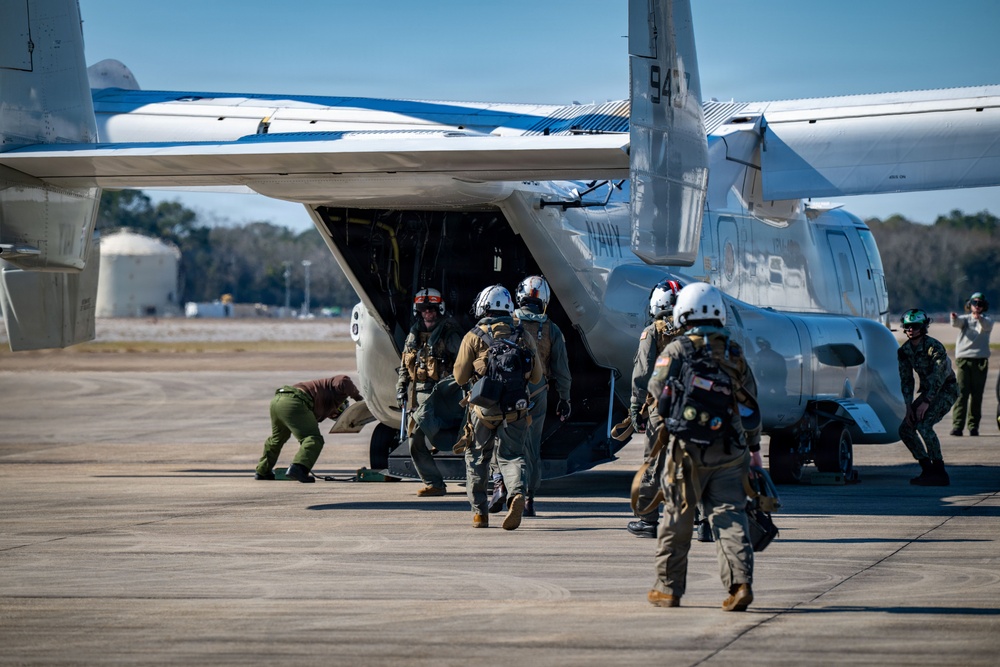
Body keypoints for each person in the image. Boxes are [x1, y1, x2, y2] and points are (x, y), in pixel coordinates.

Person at [645, 283, 763, 611]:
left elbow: (657, 394)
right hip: (729, 448)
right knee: (730, 516)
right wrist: (754, 451)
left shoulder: (677, 349)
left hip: (686, 450)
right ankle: (739, 584)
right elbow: (751, 408)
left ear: (683, 312)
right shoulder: (734, 353)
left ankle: (668, 589)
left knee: (677, 517)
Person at [453, 284, 542, 530]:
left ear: (483, 306)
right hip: (516, 408)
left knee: (476, 458)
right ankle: (515, 494)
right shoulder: (523, 335)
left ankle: (480, 514)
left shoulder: (473, 336)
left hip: (482, 410)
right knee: (512, 456)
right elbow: (536, 377)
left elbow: (460, 377)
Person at [505, 275, 572, 518]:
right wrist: (565, 399)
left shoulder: (507, 323)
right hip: (538, 391)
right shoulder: (552, 329)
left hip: (507, 391)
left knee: (505, 442)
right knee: (531, 445)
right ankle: (530, 499)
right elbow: (562, 370)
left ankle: (504, 487)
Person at [627, 278, 683, 538]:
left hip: (660, 407)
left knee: (655, 463)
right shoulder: (694, 331)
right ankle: (703, 521)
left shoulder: (652, 332)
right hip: (692, 406)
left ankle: (648, 520)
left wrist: (635, 406)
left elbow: (642, 373)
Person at [396, 287, 464, 496]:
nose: (428, 312)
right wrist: (401, 388)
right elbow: (404, 367)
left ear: (439, 309)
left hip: (443, 398)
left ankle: (481, 478)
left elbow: (464, 363)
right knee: (415, 441)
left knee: (454, 437)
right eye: (424, 309)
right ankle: (434, 483)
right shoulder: (413, 336)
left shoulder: (450, 335)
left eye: (432, 308)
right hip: (419, 398)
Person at [255, 375, 363, 483]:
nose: (335, 413)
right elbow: (343, 381)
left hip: (278, 401)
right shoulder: (336, 390)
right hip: (295, 400)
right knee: (313, 439)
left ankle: (262, 471)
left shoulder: (322, 403)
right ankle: (299, 468)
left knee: (277, 439)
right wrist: (359, 399)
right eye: (339, 409)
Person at [897, 309, 959, 486]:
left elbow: (938, 376)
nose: (910, 330)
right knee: (905, 429)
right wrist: (909, 407)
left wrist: (926, 402)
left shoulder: (934, 347)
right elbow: (906, 380)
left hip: (946, 389)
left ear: (923, 327)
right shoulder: (904, 351)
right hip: (927, 393)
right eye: (907, 326)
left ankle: (939, 472)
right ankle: (927, 469)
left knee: (924, 425)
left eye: (914, 326)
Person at [950, 293, 993, 437]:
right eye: (974, 303)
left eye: (980, 303)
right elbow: (956, 323)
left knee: (977, 396)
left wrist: (979, 318)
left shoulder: (987, 321)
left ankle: (973, 426)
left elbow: (986, 326)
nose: (977, 306)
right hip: (964, 360)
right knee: (961, 393)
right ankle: (957, 426)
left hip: (980, 361)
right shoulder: (965, 320)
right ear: (970, 305)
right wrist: (954, 317)